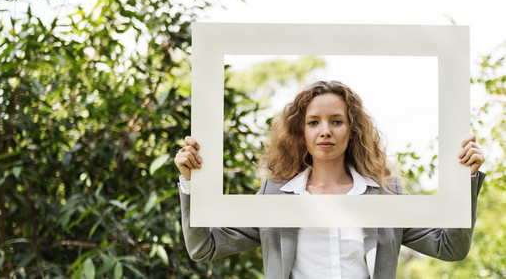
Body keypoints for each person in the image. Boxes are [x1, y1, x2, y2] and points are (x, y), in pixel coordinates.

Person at [174, 80, 485, 279]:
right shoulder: (275, 195)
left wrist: (466, 178)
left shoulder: (385, 196)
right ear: (301, 132)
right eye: (314, 122)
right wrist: (191, 183)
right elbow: (205, 248)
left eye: (336, 121)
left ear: (352, 130)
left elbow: (449, 248)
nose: (325, 130)